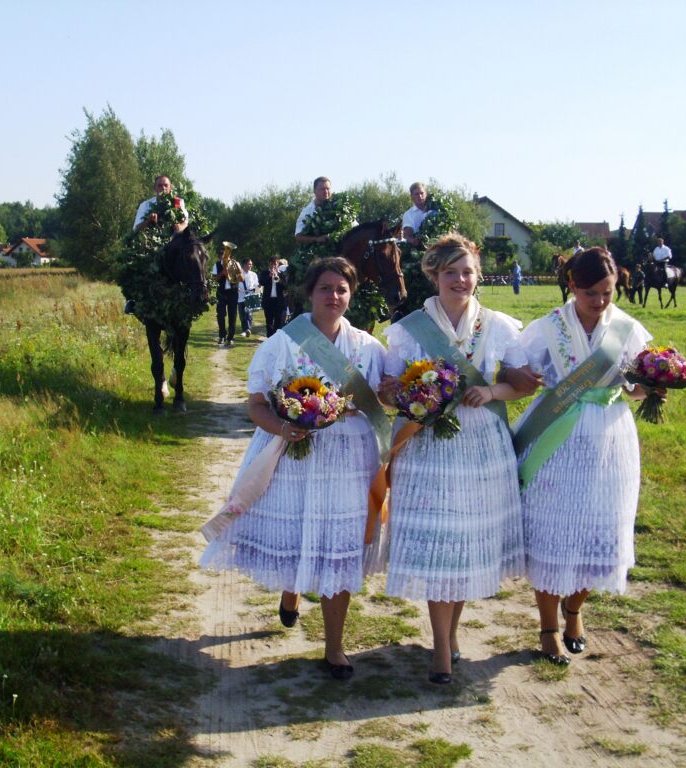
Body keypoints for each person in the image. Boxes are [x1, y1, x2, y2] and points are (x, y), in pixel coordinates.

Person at [201, 257, 388, 681]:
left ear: (351, 294)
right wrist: (286, 426)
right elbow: (256, 405)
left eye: (342, 289)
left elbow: (384, 398)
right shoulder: (281, 344)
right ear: (310, 292)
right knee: (303, 534)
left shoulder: (368, 347)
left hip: (349, 461)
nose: (334, 297)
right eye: (326, 288)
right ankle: (291, 592)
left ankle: (334, 647)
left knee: (339, 546)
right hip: (294, 458)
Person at [379, 234, 533, 684]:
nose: (459, 280)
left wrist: (492, 390)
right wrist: (413, 394)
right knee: (440, 546)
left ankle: (450, 636)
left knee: (463, 546)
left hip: (481, 447)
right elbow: (389, 390)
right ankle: (441, 649)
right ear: (434, 275)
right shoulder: (409, 329)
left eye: (467, 272)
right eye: (450, 272)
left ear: (478, 276)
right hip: (427, 446)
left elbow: (524, 383)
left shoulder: (500, 326)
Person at [512, 247, 654, 667]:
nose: (599, 301)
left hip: (609, 438)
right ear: (572, 285)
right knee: (553, 531)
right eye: (590, 292)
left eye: (608, 292)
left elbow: (639, 384)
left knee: (600, 529)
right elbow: (516, 370)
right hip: (556, 435)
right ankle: (548, 627)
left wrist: (653, 385)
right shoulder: (546, 328)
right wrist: (518, 377)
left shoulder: (627, 329)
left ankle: (575, 612)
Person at [213, 247, 240, 345]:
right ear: (220, 257)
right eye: (223, 257)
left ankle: (230, 338)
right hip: (221, 293)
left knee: (232, 316)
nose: (225, 259)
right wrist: (222, 273)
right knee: (220, 315)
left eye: (227, 257)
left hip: (232, 293)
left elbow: (240, 278)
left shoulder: (234, 264)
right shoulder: (216, 265)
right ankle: (221, 336)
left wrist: (232, 274)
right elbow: (214, 279)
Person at [295, 177, 334, 245]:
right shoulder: (307, 212)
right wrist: (317, 239)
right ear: (314, 191)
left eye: (328, 189)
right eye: (322, 189)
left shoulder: (340, 207)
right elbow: (298, 236)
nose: (326, 192)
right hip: (316, 253)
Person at [259, 256, 287, 337]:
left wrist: (278, 278)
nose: (274, 265)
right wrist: (269, 276)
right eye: (272, 263)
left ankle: (276, 339)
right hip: (268, 301)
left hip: (279, 302)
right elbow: (261, 282)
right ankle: (269, 339)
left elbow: (285, 286)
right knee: (269, 322)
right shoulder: (264, 273)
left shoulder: (282, 274)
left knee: (278, 322)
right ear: (269, 264)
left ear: (278, 264)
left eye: (275, 263)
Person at [401, 182, 432, 248]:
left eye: (422, 193)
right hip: (421, 249)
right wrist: (413, 241)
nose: (420, 196)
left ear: (426, 194)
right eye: (416, 194)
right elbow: (408, 236)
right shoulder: (408, 214)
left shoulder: (436, 210)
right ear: (412, 196)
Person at [238, 259, 260, 337]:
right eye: (248, 264)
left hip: (250, 296)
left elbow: (257, 285)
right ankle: (244, 330)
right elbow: (235, 284)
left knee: (249, 314)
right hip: (240, 296)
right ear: (244, 265)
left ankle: (248, 329)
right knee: (242, 314)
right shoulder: (238, 274)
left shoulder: (254, 274)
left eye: (251, 264)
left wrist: (256, 293)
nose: (250, 266)